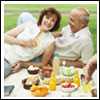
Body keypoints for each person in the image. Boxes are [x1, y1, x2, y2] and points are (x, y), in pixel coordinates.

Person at [4, 7, 61, 78]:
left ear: (55, 24)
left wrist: (22, 64)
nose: (49, 22)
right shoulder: (29, 24)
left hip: (9, 63)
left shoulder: (50, 41)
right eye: (47, 17)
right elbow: (4, 36)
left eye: (53, 21)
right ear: (42, 17)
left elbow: (42, 64)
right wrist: (22, 42)